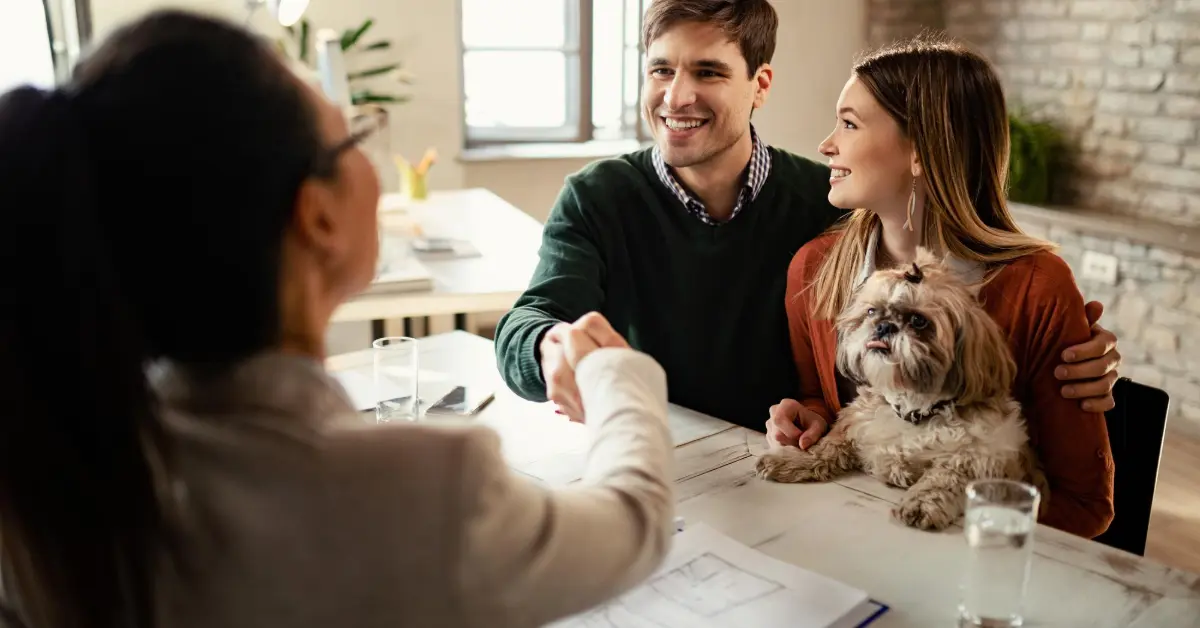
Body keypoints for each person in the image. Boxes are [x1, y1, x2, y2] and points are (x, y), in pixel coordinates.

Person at [0, 11, 675, 628]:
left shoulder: (49, 478)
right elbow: (635, 522)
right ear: (316, 215)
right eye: (352, 134)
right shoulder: (419, 491)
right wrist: (614, 370)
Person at [493, 0, 1122, 430]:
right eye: (661, 69)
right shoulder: (597, 196)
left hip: (789, 477)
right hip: (656, 461)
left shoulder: (833, 209)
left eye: (707, 72)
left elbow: (938, 295)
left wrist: (1071, 348)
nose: (676, 96)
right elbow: (527, 322)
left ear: (760, 84)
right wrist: (548, 345)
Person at [768, 35, 1114, 538]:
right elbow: (822, 398)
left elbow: (1085, 505)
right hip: (841, 533)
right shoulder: (815, 268)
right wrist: (810, 420)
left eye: (849, 123)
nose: (826, 145)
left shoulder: (1037, 285)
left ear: (922, 151)